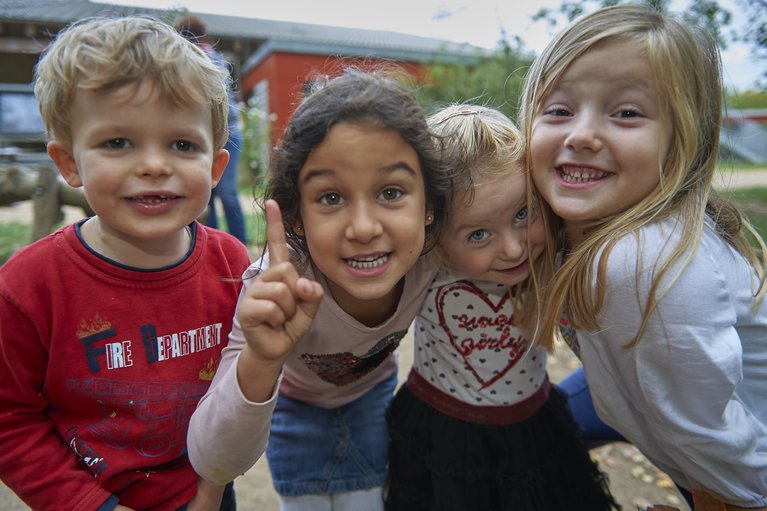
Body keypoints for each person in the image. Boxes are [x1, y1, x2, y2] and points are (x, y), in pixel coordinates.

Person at [0, 16, 251, 511]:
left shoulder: (231, 262)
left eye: (182, 144)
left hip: (211, 492)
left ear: (216, 167)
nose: (155, 165)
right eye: (117, 142)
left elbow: (241, 390)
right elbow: (10, 420)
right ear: (69, 162)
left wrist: (212, 489)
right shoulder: (28, 287)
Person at [522, 5, 767, 510]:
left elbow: (719, 445)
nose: (581, 135)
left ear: (683, 139)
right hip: (650, 407)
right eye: (560, 110)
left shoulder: (640, 263)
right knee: (540, 426)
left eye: (627, 113)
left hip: (739, 469)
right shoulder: (587, 227)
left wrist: (717, 503)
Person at [187, 68, 450, 511]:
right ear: (295, 220)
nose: (364, 228)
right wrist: (262, 358)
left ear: (430, 205)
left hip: (370, 396)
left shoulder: (433, 260)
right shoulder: (277, 285)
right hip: (292, 404)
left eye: (390, 191)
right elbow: (213, 461)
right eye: (331, 198)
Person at [384, 104, 618, 511]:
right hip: (441, 436)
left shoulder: (556, 261)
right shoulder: (426, 264)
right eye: (478, 234)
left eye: (524, 213)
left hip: (534, 429)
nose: (513, 248)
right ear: (433, 235)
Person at [175, 14, 249, 245]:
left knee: (226, 191)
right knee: (205, 192)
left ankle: (240, 243)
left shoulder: (212, 61)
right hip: (200, 134)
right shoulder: (180, 61)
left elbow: (216, 103)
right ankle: (211, 243)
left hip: (228, 132)